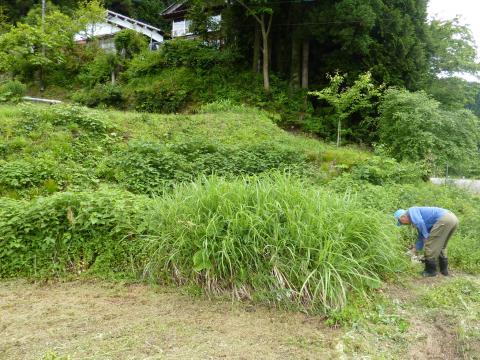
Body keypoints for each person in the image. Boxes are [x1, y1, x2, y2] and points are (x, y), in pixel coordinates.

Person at [393, 207, 458, 277]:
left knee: (430, 245)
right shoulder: (421, 218)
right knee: (441, 245)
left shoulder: (411, 212)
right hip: (453, 219)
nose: (404, 224)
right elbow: (421, 235)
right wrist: (416, 249)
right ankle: (444, 270)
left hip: (444, 219)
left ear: (403, 217)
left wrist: (426, 236)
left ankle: (430, 271)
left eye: (400, 222)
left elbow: (420, 224)